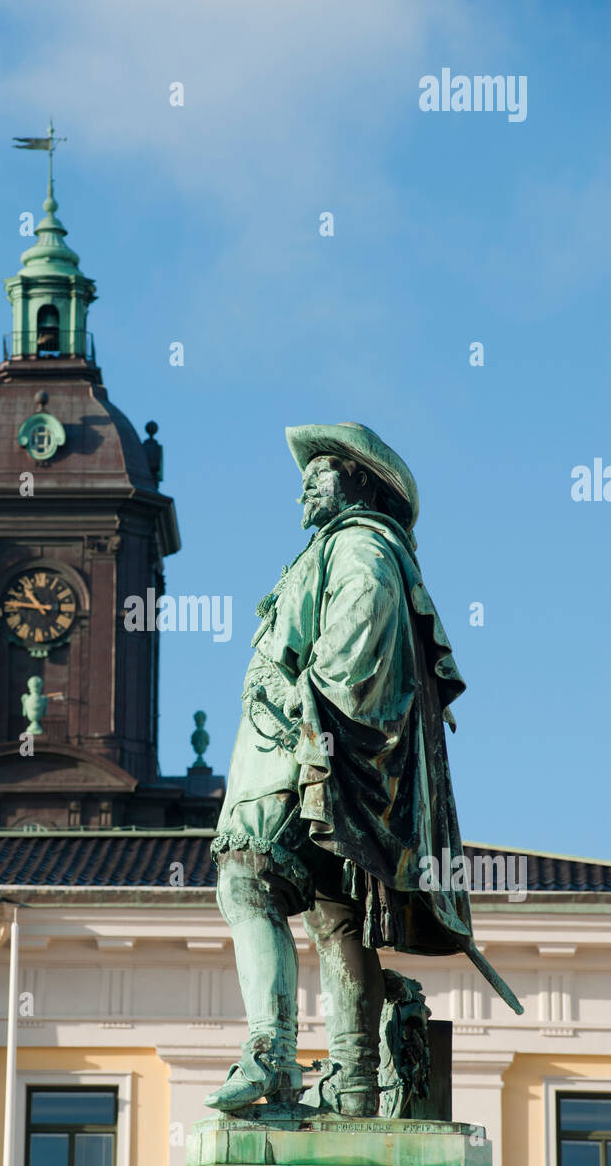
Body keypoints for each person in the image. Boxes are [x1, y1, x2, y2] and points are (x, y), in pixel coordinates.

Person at [207, 422, 522, 1117]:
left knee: (247, 879)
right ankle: (351, 1080)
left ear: (357, 481)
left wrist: (294, 705)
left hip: (300, 751)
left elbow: (357, 648)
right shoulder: (335, 549)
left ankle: (270, 1053)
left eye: (315, 474)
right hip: (306, 753)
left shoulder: (357, 548)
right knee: (333, 913)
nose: (302, 491)